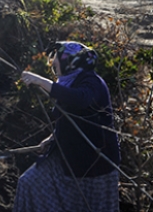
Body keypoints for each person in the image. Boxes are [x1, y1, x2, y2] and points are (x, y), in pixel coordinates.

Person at [16, 41, 121, 211]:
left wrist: (41, 81)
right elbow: (68, 120)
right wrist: (52, 139)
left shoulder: (92, 82)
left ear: (69, 63)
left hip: (95, 165)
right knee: (28, 182)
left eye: (57, 62)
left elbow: (80, 99)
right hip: (69, 157)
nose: (54, 66)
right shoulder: (67, 82)